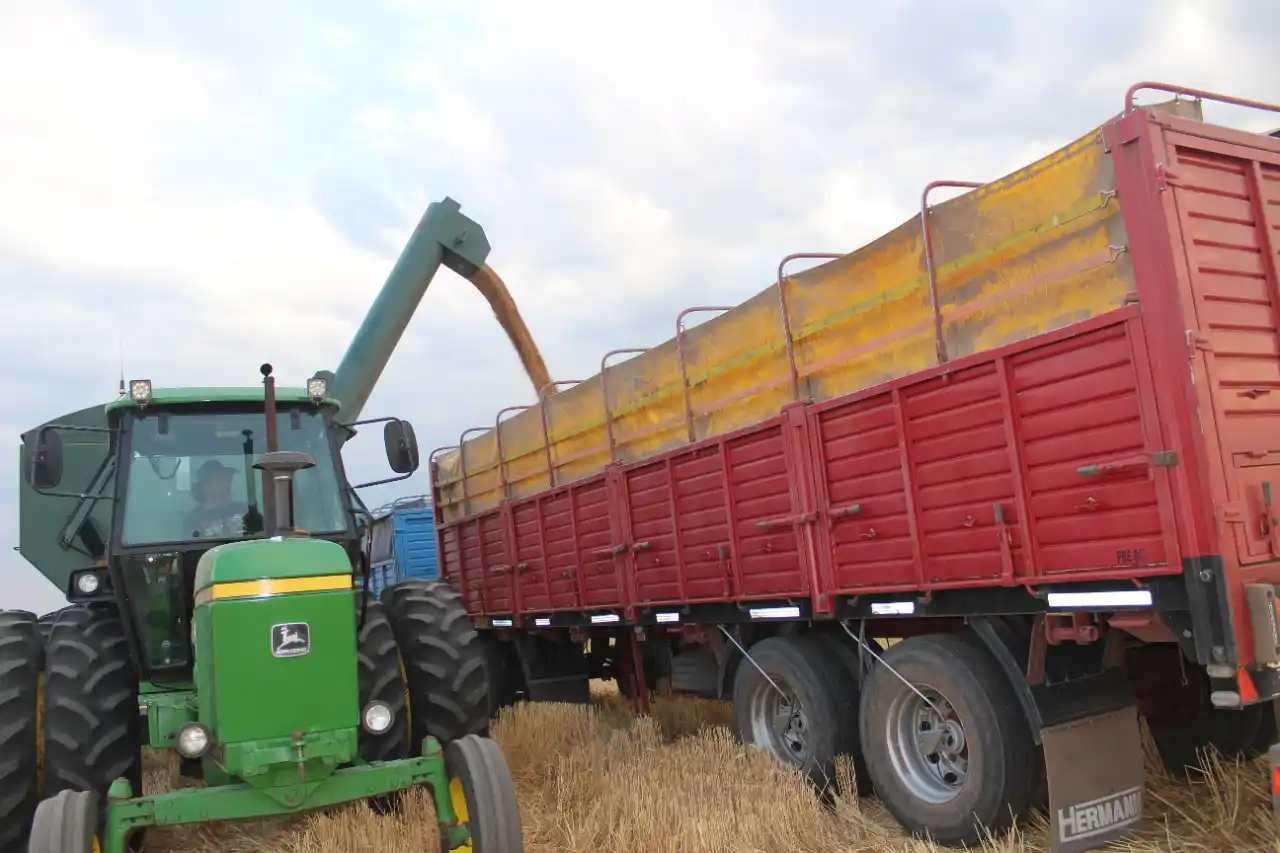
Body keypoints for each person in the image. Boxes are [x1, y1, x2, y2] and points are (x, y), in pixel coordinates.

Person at [184, 460, 254, 539]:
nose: (227, 483)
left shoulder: (244, 511)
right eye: (220, 479)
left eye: (228, 478)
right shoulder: (194, 519)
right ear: (206, 486)